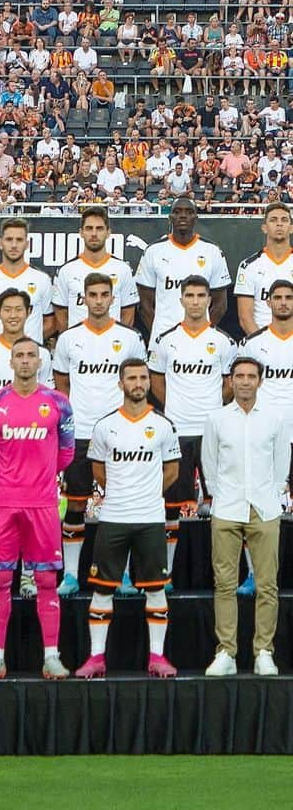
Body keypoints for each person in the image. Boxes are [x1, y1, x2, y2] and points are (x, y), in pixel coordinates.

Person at [0, 338, 74, 680]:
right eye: (20, 356)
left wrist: (40, 478)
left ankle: (51, 656)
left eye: (32, 355)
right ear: (11, 362)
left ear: (41, 362)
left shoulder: (58, 403)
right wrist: (12, 479)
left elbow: (66, 452)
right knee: (0, 579)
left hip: (42, 505)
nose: (26, 361)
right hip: (4, 503)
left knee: (46, 579)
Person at [75, 359, 181, 679]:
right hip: (113, 518)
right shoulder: (105, 426)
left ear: (149, 383)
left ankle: (157, 657)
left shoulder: (163, 425)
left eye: (143, 378)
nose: (138, 383)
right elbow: (97, 469)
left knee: (156, 589)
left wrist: (147, 493)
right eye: (131, 378)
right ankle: (96, 658)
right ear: (120, 384)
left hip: (150, 518)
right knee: (103, 589)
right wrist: (122, 492)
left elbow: (172, 471)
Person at [53, 273, 146, 596]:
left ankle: (120, 576)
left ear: (112, 298)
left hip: (120, 432)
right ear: (84, 298)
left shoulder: (130, 338)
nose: (98, 300)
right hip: (80, 432)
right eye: (92, 294)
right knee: (76, 504)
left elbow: (138, 384)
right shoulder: (68, 339)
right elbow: (62, 387)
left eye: (104, 294)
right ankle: (70, 575)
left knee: (121, 504)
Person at [202, 356, 290, 677]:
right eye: (239, 376)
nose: (245, 381)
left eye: (251, 376)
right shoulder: (217, 419)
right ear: (231, 380)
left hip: (264, 508)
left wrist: (273, 494)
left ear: (260, 381)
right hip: (226, 507)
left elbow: (282, 462)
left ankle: (263, 651)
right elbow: (209, 463)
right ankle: (226, 651)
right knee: (224, 585)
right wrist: (219, 495)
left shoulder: (276, 419)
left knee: (267, 585)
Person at [0, 288, 54, 597]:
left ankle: (28, 575)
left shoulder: (39, 352)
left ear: (29, 312)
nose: (13, 315)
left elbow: (49, 398)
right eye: (8, 310)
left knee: (30, 514)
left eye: (19, 309)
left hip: (32, 443)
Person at [147, 276, 235, 574]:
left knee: (221, 507)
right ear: (181, 300)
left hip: (212, 433)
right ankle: (167, 571)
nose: (195, 301)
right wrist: (176, 407)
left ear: (210, 300)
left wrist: (211, 410)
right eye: (190, 295)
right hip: (177, 432)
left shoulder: (223, 342)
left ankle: (224, 572)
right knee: (173, 506)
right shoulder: (166, 340)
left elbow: (229, 384)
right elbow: (156, 381)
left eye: (201, 295)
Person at [236, 279, 293, 595]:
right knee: (255, 510)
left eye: (289, 297)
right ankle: (254, 574)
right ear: (268, 303)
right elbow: (242, 391)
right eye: (278, 298)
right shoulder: (254, 345)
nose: (284, 303)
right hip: (264, 438)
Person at [135, 198, 230, 340]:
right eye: (177, 212)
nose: (183, 216)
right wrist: (161, 335)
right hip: (162, 339)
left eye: (189, 212)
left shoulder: (212, 251)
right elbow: (144, 306)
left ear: (196, 218)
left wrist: (201, 332)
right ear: (170, 217)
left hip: (201, 340)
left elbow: (220, 305)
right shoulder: (153, 251)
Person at [52, 206, 139, 331]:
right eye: (89, 228)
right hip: (77, 346)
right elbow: (60, 314)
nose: (94, 234)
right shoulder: (66, 270)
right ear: (81, 232)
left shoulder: (122, 269)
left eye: (99, 229)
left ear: (108, 233)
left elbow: (128, 313)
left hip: (112, 346)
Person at [0, 218, 54, 342]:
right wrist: (0, 346)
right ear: (0, 243)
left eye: (19, 240)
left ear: (27, 244)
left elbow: (50, 322)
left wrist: (28, 345)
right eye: (9, 239)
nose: (14, 245)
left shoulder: (42, 280)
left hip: (30, 359)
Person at [235, 203, 293, 336]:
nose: (279, 224)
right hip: (261, 345)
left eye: (284, 220)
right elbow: (245, 318)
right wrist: (262, 344)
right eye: (273, 220)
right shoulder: (248, 266)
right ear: (264, 228)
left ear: (291, 228)